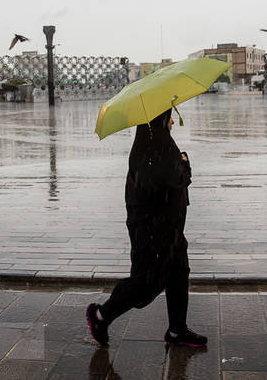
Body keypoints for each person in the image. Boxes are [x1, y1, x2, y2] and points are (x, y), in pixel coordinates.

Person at [86, 108, 207, 348]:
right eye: (167, 117)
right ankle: (101, 315)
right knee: (146, 283)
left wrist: (180, 164)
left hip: (169, 228)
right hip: (153, 231)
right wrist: (184, 165)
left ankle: (177, 330)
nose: (172, 121)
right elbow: (170, 180)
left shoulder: (156, 145)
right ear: (157, 121)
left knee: (178, 273)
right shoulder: (151, 150)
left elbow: (170, 178)